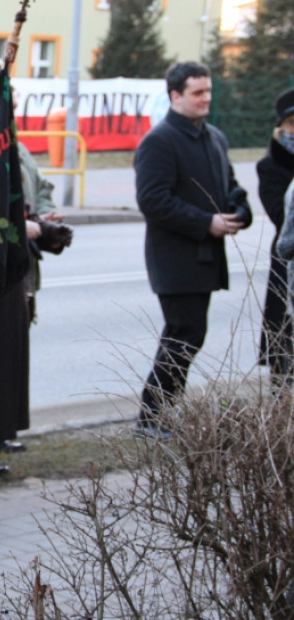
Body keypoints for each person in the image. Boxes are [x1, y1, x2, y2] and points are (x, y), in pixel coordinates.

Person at [134, 61, 252, 438]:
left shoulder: (213, 137)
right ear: (175, 96)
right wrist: (206, 223)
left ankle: (163, 414)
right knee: (183, 334)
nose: (206, 99)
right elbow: (153, 200)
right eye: (198, 93)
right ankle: (152, 418)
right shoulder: (160, 140)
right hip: (175, 258)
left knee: (189, 336)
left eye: (208, 91)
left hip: (205, 256)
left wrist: (240, 210)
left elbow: (229, 185)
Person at [256, 87, 294, 390]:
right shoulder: (271, 166)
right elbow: (281, 216)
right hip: (288, 262)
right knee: (285, 340)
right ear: (282, 127)